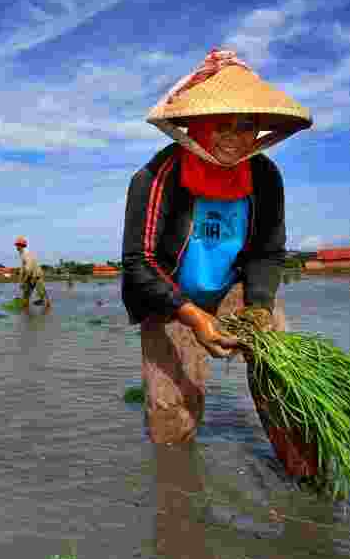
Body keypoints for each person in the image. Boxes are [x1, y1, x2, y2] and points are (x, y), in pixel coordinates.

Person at [121, 48, 312, 451]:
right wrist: (192, 317)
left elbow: (267, 251)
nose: (234, 138)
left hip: (231, 289)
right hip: (169, 298)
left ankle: (304, 473)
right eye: (220, 125)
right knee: (171, 412)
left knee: (288, 380)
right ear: (197, 126)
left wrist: (258, 306)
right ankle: (178, 498)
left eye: (245, 126)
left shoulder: (263, 174)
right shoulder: (157, 176)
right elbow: (140, 263)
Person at [13, 236, 51, 310]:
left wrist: (24, 281)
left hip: (36, 276)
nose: (16, 247)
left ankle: (47, 308)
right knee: (26, 294)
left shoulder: (26, 253)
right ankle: (26, 312)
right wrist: (20, 280)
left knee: (41, 293)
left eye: (17, 245)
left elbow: (29, 269)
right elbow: (23, 268)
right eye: (16, 245)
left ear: (21, 245)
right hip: (30, 276)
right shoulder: (21, 253)